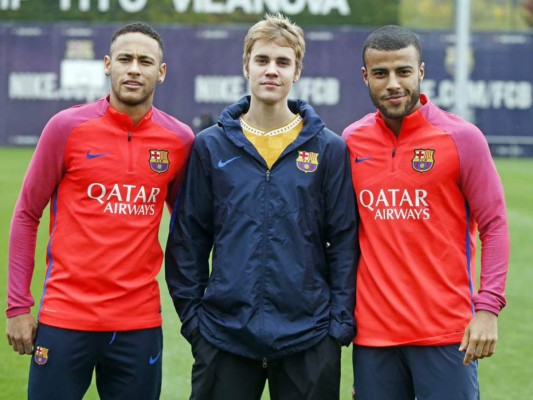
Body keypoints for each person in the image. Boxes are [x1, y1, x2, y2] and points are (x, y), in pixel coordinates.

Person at [165, 13, 358, 400]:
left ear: (297, 71)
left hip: (309, 336)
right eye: (263, 60)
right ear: (246, 66)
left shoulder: (329, 148)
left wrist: (336, 326)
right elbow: (188, 240)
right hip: (224, 335)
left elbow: (345, 242)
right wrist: (196, 325)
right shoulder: (211, 145)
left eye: (283, 62)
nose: (272, 71)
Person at [6, 22, 194, 399]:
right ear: (108, 64)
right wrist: (18, 306)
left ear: (161, 71)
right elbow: (27, 213)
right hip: (64, 318)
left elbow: (189, 230)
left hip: (138, 325)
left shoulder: (179, 141)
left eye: (145, 61)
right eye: (125, 59)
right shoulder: (66, 128)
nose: (134, 69)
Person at [342, 25, 510, 399]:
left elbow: (495, 225)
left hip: (447, 332)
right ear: (365, 76)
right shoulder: (350, 142)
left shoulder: (463, 138)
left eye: (403, 71)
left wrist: (488, 308)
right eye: (381, 73)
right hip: (374, 337)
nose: (393, 84)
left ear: (420, 71)